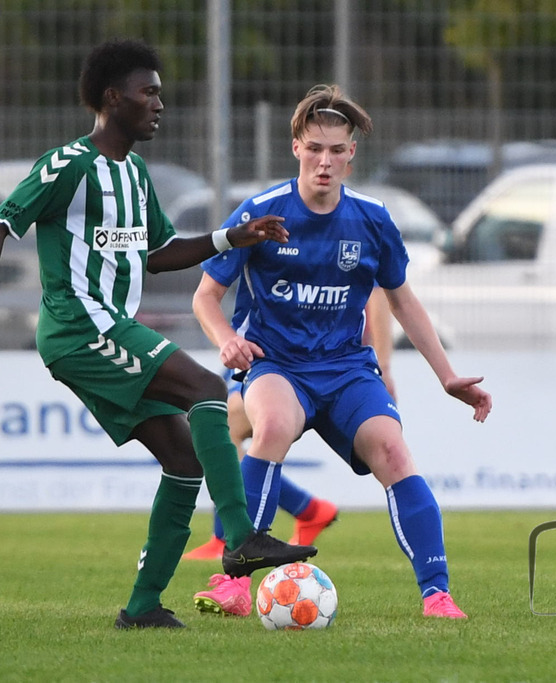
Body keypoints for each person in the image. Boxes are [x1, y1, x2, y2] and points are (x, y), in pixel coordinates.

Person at [0, 38, 317, 630]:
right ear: (113, 98)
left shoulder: (135, 173)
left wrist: (232, 238)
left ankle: (141, 609)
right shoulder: (69, 165)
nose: (159, 103)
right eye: (149, 92)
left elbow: (159, 254)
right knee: (211, 388)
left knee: (185, 457)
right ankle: (241, 536)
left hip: (113, 328)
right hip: (79, 327)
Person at [189, 84, 492, 620]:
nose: (324, 161)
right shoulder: (262, 212)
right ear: (296, 149)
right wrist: (226, 340)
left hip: (347, 368)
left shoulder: (372, 220)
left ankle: (437, 594)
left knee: (395, 453)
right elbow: (206, 297)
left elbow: (403, 301)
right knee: (273, 424)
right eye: (314, 148)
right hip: (275, 363)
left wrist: (447, 376)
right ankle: (232, 581)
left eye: (336, 150)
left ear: (351, 155)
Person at [183, 287, 393, 564]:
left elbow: (379, 293)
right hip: (263, 348)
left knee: (225, 427)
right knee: (219, 430)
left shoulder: (349, 247)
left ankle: (230, 536)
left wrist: (384, 365)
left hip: (313, 359)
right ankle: (306, 510)